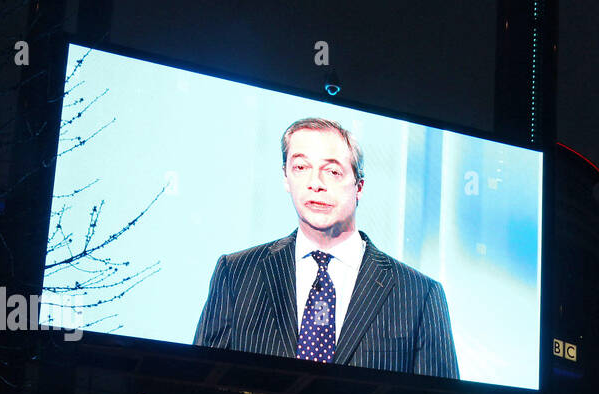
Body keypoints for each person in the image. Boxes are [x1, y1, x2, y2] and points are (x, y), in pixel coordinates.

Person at [193, 117, 459, 380]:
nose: (315, 183)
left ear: (359, 186)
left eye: (332, 171)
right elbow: (198, 389)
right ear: (286, 178)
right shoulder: (237, 274)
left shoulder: (419, 294)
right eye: (300, 167)